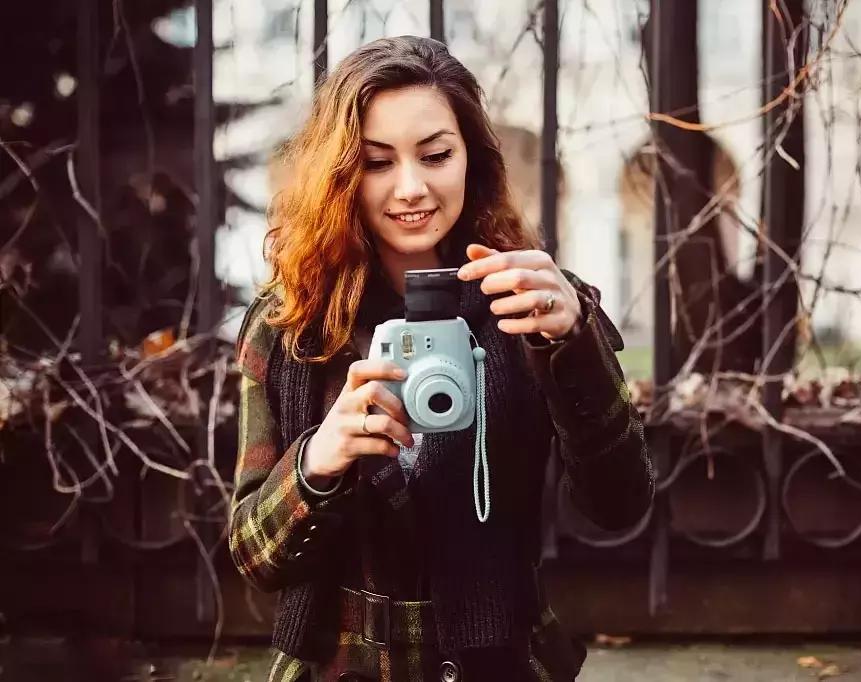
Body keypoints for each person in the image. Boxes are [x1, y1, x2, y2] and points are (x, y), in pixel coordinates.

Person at [229, 35, 653, 682]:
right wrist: (319, 460)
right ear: (340, 174)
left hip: (503, 664)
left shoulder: (530, 302)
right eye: (377, 162)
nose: (411, 187)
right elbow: (254, 558)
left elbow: (619, 505)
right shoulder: (290, 323)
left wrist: (574, 346)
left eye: (435, 155)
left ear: (470, 157)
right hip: (341, 667)